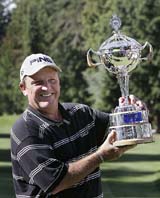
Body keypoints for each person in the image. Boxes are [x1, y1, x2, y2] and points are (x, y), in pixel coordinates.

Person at [11, 53, 137, 198]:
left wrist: (132, 113)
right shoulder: (26, 130)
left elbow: (121, 133)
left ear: (59, 82)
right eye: (38, 82)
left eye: (52, 80)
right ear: (23, 88)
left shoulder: (81, 113)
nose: (47, 87)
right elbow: (56, 182)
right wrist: (100, 156)